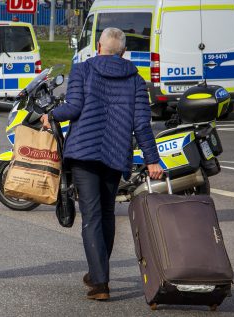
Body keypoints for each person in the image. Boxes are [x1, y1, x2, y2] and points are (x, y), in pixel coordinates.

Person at [41, 27, 163, 300]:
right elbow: (142, 124)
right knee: (106, 213)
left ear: (98, 46)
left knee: (92, 216)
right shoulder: (135, 78)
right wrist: (152, 160)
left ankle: (100, 282)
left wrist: (51, 116)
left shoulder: (83, 70)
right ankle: (99, 274)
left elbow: (73, 107)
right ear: (123, 51)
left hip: (84, 152)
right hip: (115, 153)